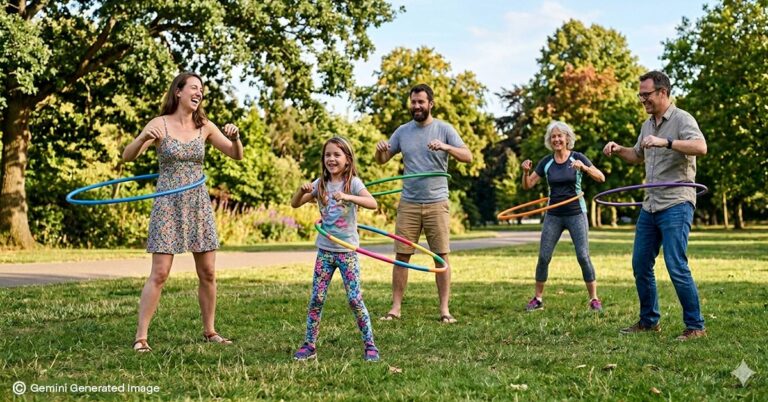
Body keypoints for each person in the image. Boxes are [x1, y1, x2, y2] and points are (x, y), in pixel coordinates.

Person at [122, 72, 243, 352]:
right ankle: (141, 337)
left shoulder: (205, 126)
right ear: (178, 91)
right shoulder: (159, 124)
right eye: (194, 87)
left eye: (201, 89)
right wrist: (142, 139)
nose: (199, 92)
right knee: (160, 273)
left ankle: (210, 331)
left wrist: (235, 138)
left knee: (209, 272)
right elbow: (127, 156)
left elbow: (236, 155)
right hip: (168, 205)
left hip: (198, 203)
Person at [603, 70, 707, 341]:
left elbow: (700, 147)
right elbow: (637, 155)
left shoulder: (683, 119)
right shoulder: (647, 125)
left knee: (675, 263)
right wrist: (618, 149)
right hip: (650, 205)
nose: (642, 100)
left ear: (662, 92)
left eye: (646, 94)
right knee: (640, 264)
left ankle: (695, 326)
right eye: (640, 95)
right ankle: (649, 321)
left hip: (676, 202)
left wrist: (667, 142)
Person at [374, 83, 473, 323]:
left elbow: (468, 156)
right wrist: (379, 151)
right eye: (413, 102)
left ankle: (444, 310)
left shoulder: (444, 129)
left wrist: (446, 147)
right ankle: (395, 308)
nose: (416, 106)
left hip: (437, 202)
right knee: (402, 255)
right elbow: (383, 160)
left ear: (431, 104)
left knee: (441, 255)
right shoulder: (402, 132)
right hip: (409, 202)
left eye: (421, 102)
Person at [290, 136, 380, 361]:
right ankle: (309, 345)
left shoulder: (354, 183)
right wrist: (302, 191)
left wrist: (348, 197)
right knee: (316, 299)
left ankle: (370, 345)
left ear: (348, 160)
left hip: (347, 252)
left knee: (354, 299)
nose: (331, 159)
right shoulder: (320, 183)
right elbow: (295, 203)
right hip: (325, 251)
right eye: (327, 155)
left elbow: (373, 203)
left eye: (336, 155)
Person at [521, 121, 606, 312]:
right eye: (553, 136)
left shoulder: (577, 157)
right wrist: (525, 172)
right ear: (550, 140)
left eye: (560, 136)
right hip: (554, 214)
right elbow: (528, 185)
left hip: (576, 212)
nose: (557, 139)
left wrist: (584, 168)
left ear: (568, 138)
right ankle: (538, 299)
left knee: (583, 256)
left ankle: (594, 299)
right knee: (543, 256)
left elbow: (601, 177)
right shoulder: (546, 162)